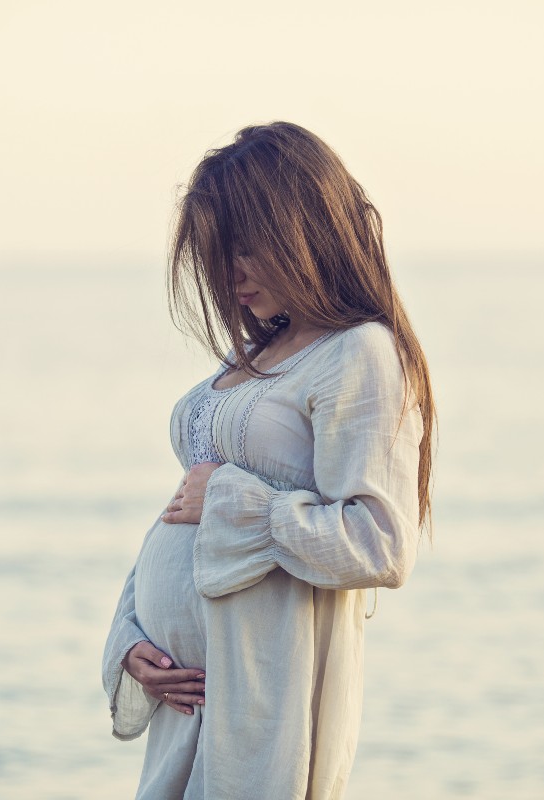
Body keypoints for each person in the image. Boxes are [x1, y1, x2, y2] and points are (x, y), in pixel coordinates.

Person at [101, 121, 436, 800]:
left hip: (260, 695)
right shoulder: (252, 358)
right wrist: (129, 642)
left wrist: (232, 498)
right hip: (186, 705)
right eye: (219, 254)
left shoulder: (360, 353)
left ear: (305, 228)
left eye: (245, 250)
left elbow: (380, 545)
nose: (230, 275)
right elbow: (181, 510)